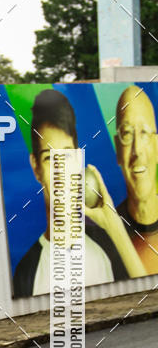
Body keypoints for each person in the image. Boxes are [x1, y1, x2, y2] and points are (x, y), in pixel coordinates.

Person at [12, 89, 145, 297]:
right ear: (35, 167)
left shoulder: (109, 247)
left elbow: (145, 297)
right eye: (49, 158)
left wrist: (115, 227)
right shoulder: (26, 272)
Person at [114, 85, 158, 274]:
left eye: (144, 133)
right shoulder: (102, 239)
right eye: (127, 135)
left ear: (157, 146)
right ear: (118, 149)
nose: (137, 151)